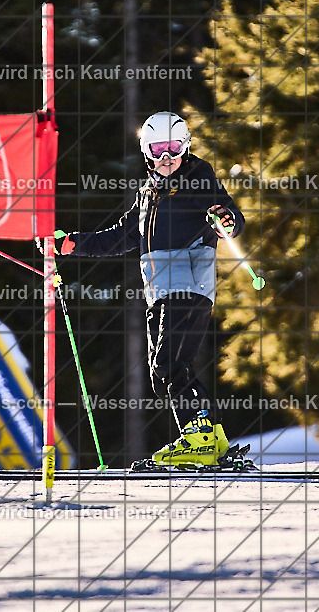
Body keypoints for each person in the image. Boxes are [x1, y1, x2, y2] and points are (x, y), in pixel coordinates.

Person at [59, 111, 245, 467]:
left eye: (173, 147)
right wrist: (73, 244)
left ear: (185, 147)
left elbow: (226, 212)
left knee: (167, 365)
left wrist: (226, 220)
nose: (167, 157)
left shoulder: (196, 175)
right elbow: (121, 236)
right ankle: (211, 436)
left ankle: (198, 436)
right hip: (161, 291)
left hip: (186, 285)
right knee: (172, 367)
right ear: (146, 151)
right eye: (158, 148)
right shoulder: (147, 194)